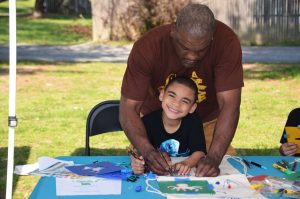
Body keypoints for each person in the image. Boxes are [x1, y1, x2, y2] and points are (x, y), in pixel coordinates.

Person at [120, 3, 243, 177]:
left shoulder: (226, 42)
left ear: (212, 39)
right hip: (155, 122)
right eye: (185, 48)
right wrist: (147, 152)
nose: (192, 56)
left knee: (222, 174)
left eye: (201, 50)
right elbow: (128, 108)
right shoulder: (148, 46)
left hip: (208, 123)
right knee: (143, 172)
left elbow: (230, 105)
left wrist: (214, 158)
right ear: (173, 32)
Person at [130, 76, 206, 175]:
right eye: (172, 95)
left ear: (192, 107)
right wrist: (137, 163)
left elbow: (200, 152)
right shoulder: (147, 121)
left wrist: (187, 163)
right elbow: (137, 150)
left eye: (185, 101)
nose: (176, 104)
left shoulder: (193, 121)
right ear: (162, 95)